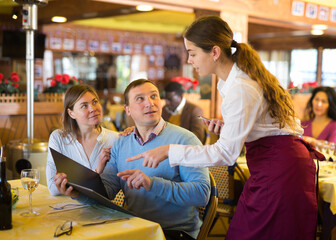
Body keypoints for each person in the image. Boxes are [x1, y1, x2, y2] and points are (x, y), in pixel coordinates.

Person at [126, 16, 322, 240]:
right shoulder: (227, 82)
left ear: (215, 52)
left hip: (281, 169)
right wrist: (229, 129)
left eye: (192, 53)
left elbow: (227, 154)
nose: (190, 60)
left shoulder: (240, 87)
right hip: (270, 164)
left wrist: (170, 150)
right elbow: (259, 126)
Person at [54, 79, 210, 239]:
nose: (150, 103)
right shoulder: (121, 143)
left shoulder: (185, 139)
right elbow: (106, 192)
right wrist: (77, 193)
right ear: (127, 110)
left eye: (154, 96)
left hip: (174, 233)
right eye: (140, 99)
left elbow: (202, 194)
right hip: (134, 230)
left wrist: (151, 183)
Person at [46, 84, 119, 196]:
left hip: (101, 212)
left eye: (95, 102)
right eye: (84, 106)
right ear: (71, 113)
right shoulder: (58, 138)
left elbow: (111, 192)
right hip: (65, 209)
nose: (93, 109)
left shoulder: (115, 139)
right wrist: (96, 173)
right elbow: (53, 188)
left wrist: (74, 184)